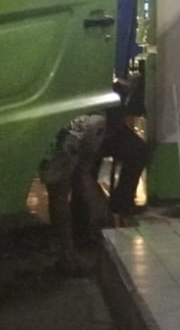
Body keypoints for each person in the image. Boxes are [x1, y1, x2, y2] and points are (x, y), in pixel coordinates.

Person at [38, 99, 150, 274]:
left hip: (65, 123)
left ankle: (69, 255)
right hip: (94, 120)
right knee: (83, 177)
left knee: (60, 192)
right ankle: (103, 233)